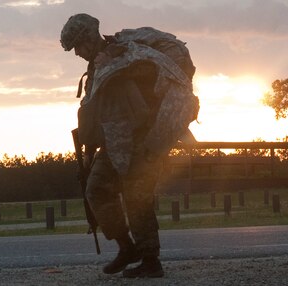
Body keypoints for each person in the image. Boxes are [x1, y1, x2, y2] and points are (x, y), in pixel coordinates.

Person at [60, 13, 197, 278]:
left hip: (144, 142)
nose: (77, 53)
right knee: (96, 189)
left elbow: (152, 74)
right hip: (114, 144)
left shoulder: (127, 55)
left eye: (78, 47)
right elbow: (94, 117)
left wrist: (118, 66)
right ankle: (127, 247)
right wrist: (88, 158)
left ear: (88, 39)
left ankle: (150, 260)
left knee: (138, 198)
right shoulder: (96, 69)